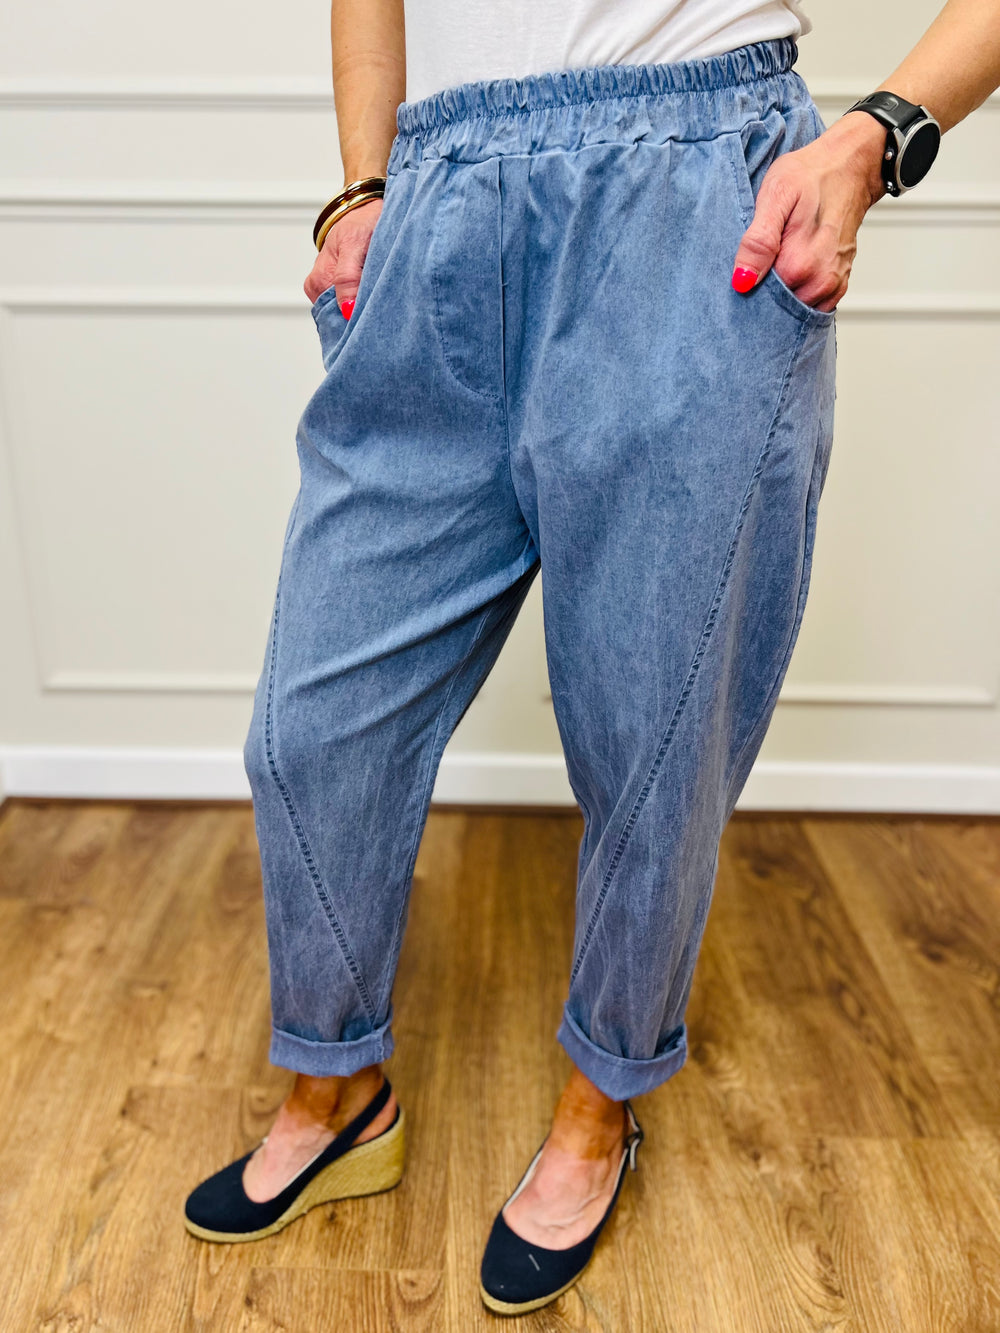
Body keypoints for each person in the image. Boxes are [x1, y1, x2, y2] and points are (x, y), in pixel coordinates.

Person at [183, 0, 1000, 1316]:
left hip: (690, 190)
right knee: (313, 725)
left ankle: (596, 1110)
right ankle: (336, 1087)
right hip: (440, 202)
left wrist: (877, 135)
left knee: (651, 730)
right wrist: (363, 188)